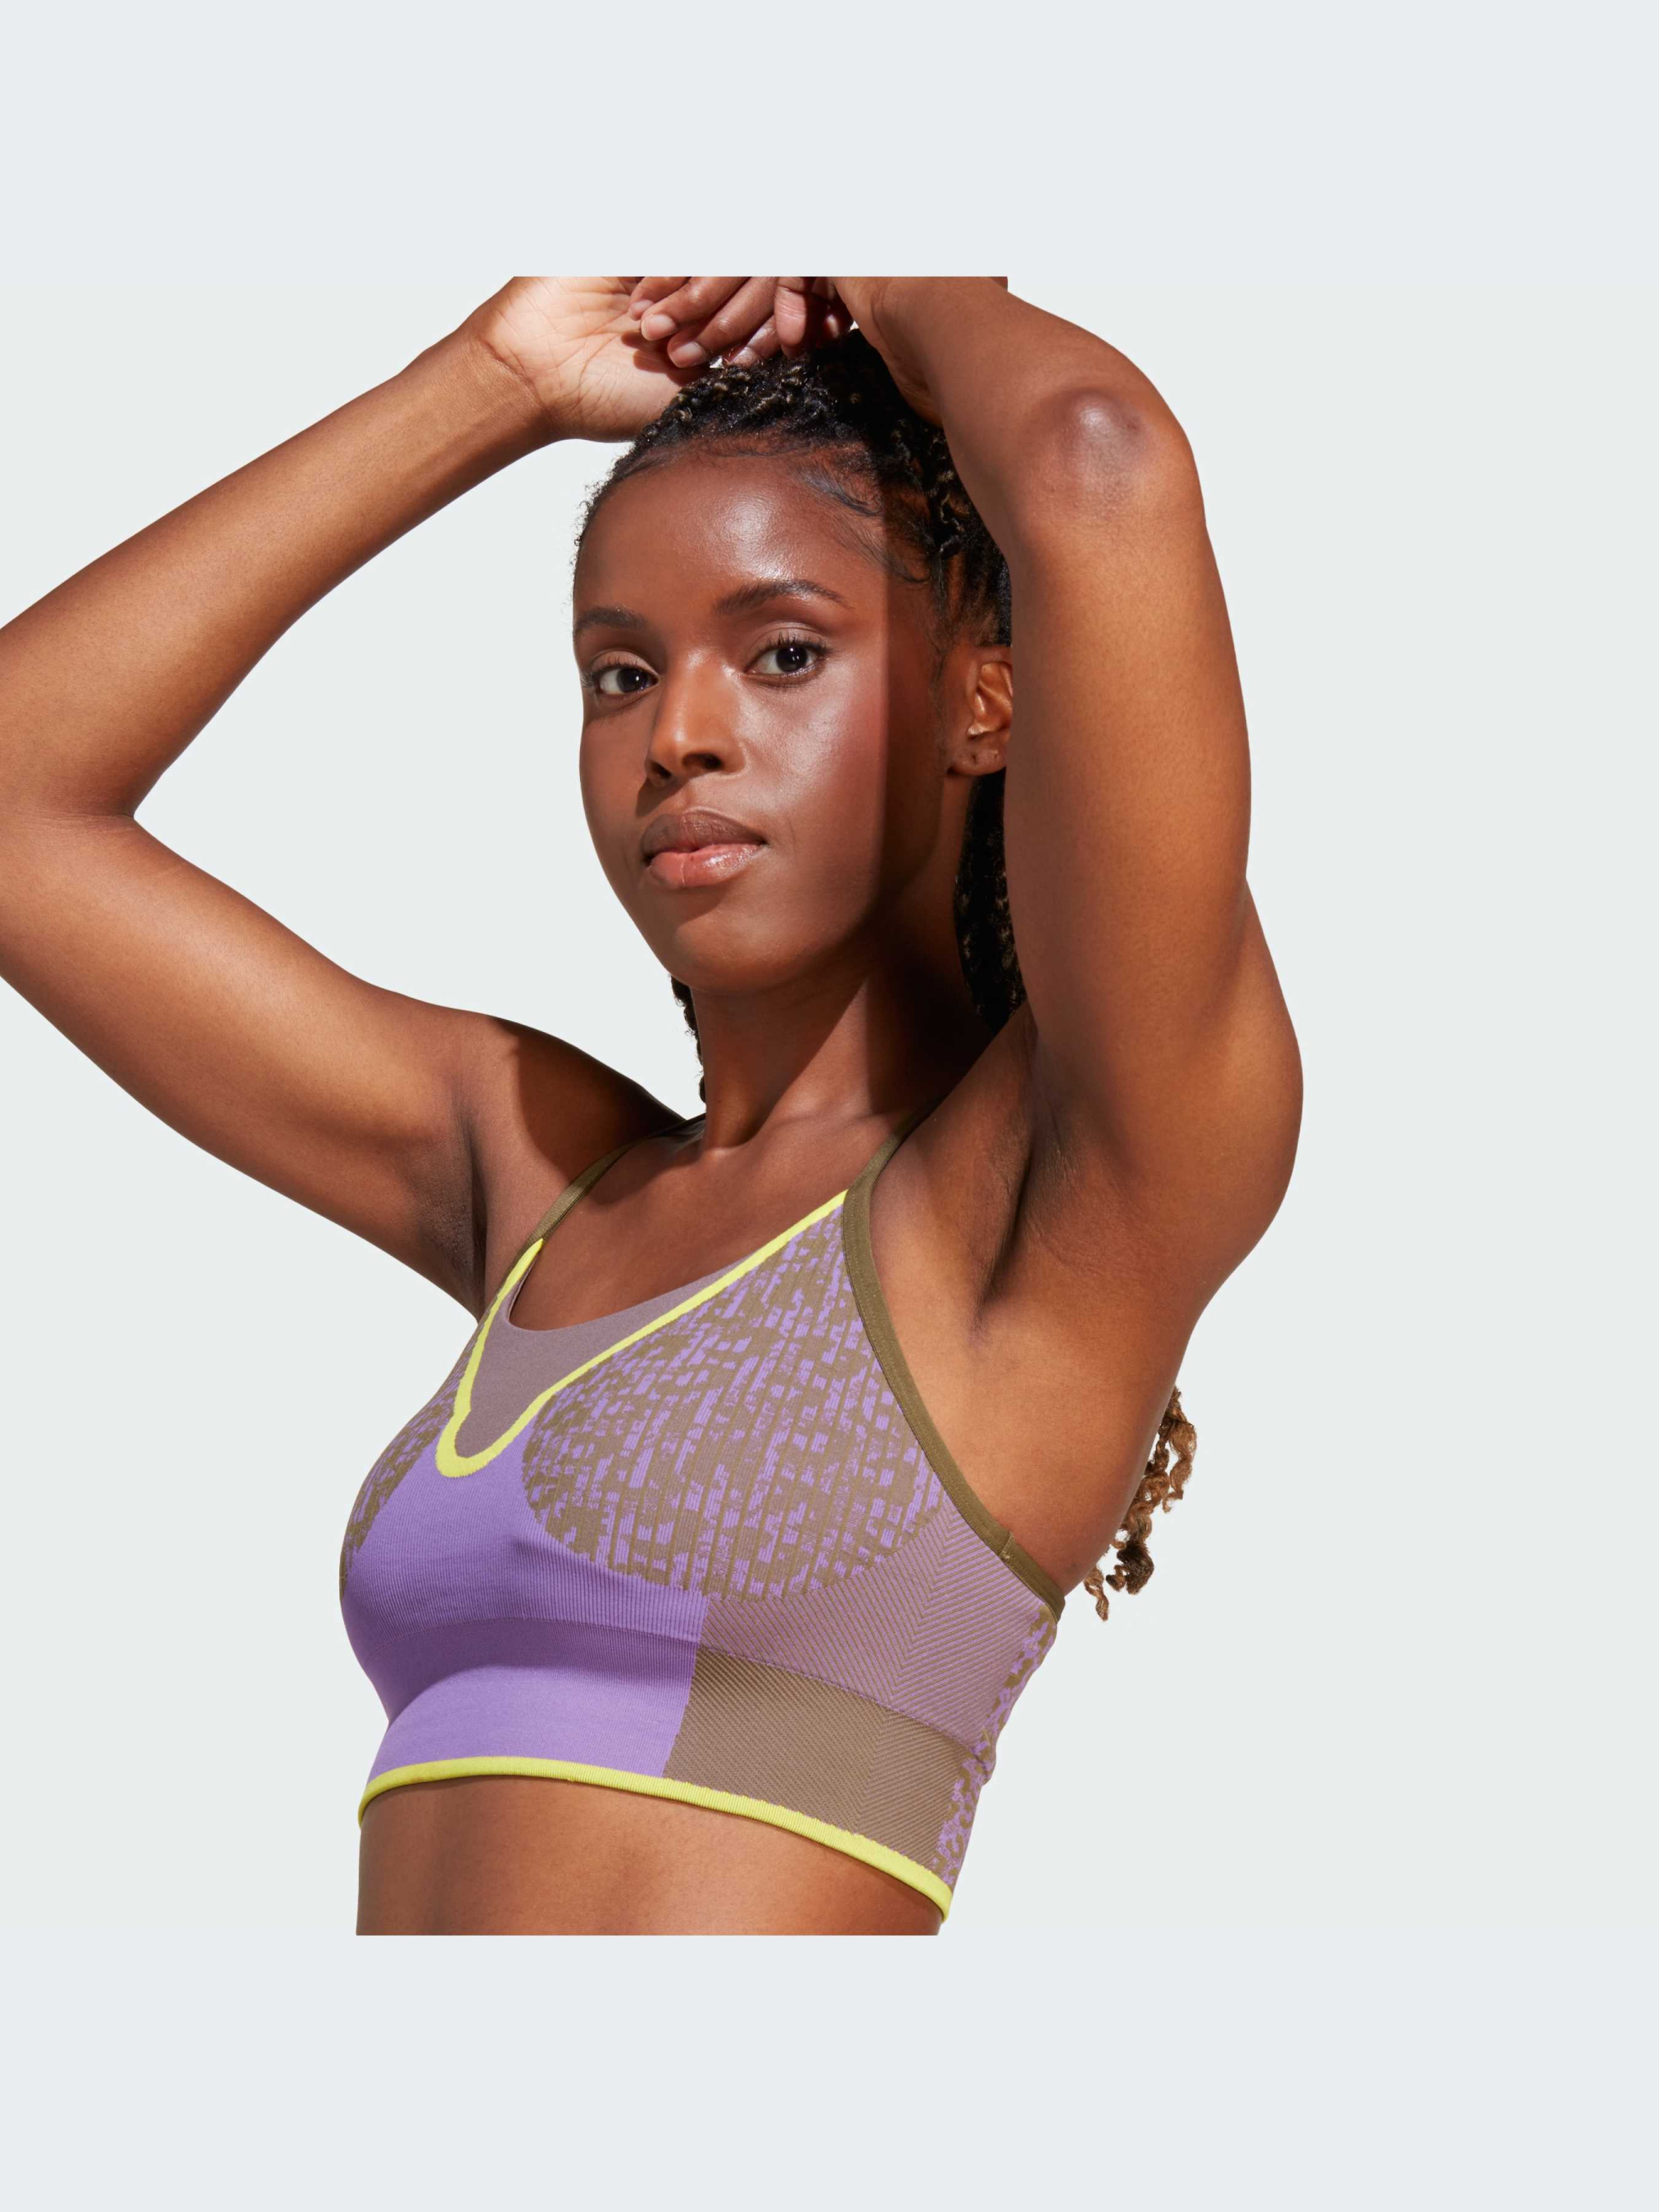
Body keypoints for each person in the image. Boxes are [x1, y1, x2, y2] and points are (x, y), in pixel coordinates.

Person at [0, 277, 1302, 1934]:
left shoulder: (1062, 1180)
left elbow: (1093, 458)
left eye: (782, 653)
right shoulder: (541, 1173)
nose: (678, 735)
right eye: (618, 674)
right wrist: (495, 380)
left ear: (986, 698)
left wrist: (896, 269)